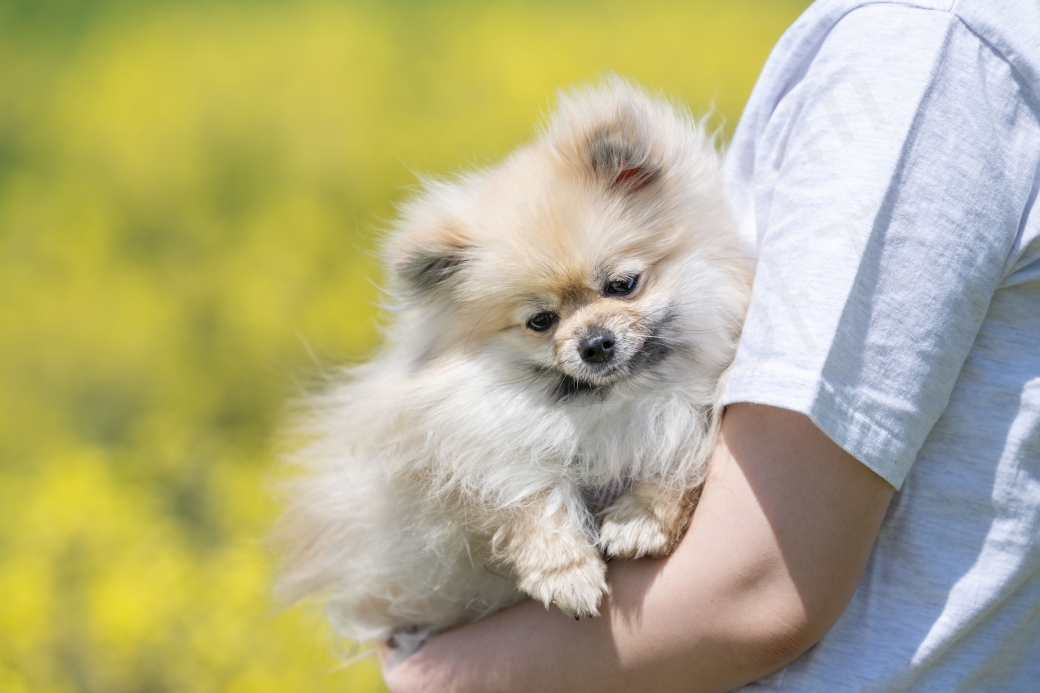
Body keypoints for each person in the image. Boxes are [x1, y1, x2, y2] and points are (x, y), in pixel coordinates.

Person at [380, 0, 1040, 690]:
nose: (594, 332)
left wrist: (429, 675)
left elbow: (759, 586)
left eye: (622, 284)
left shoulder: (927, 52)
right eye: (541, 321)